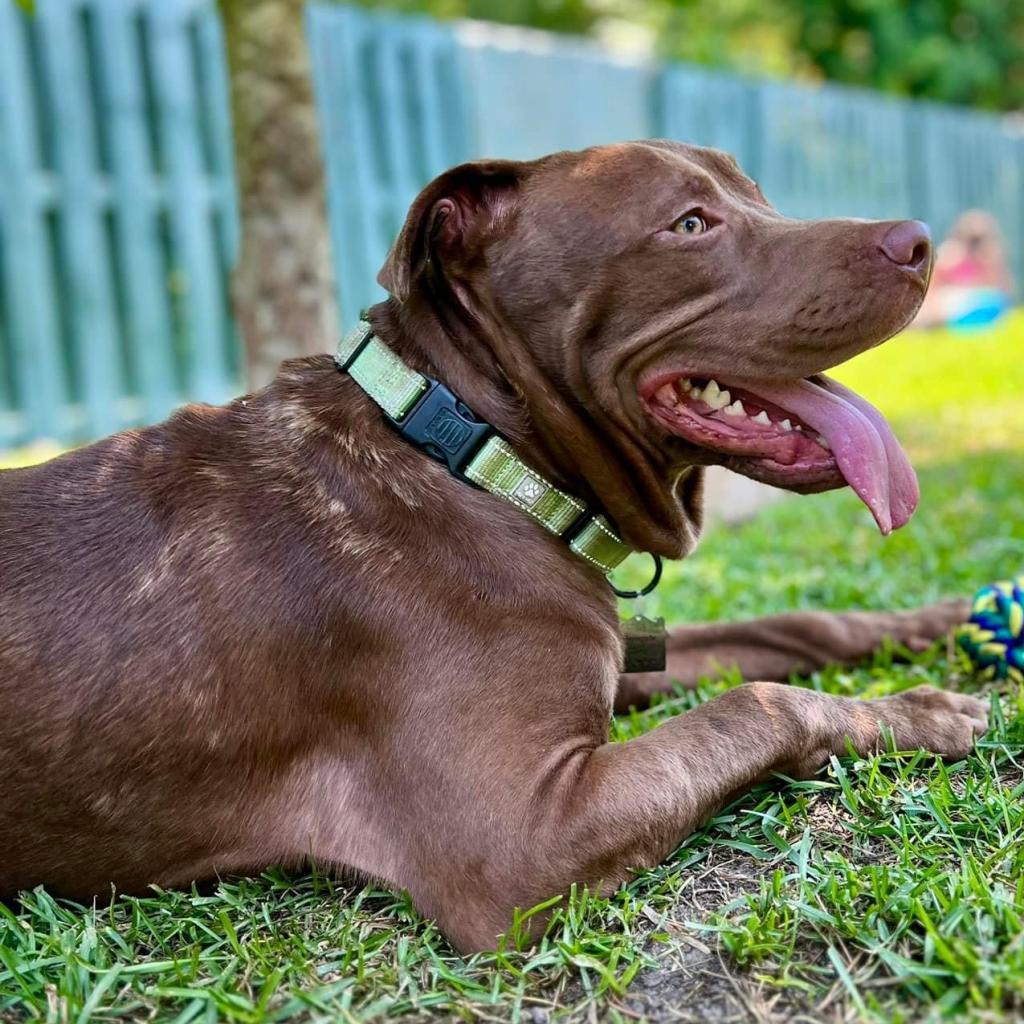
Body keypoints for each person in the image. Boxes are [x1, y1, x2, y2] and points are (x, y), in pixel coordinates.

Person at [913, 209, 1015, 328]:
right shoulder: (950, 254)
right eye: (973, 240)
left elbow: (1002, 291)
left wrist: (987, 264)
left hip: (981, 303)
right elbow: (933, 288)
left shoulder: (990, 257)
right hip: (950, 302)